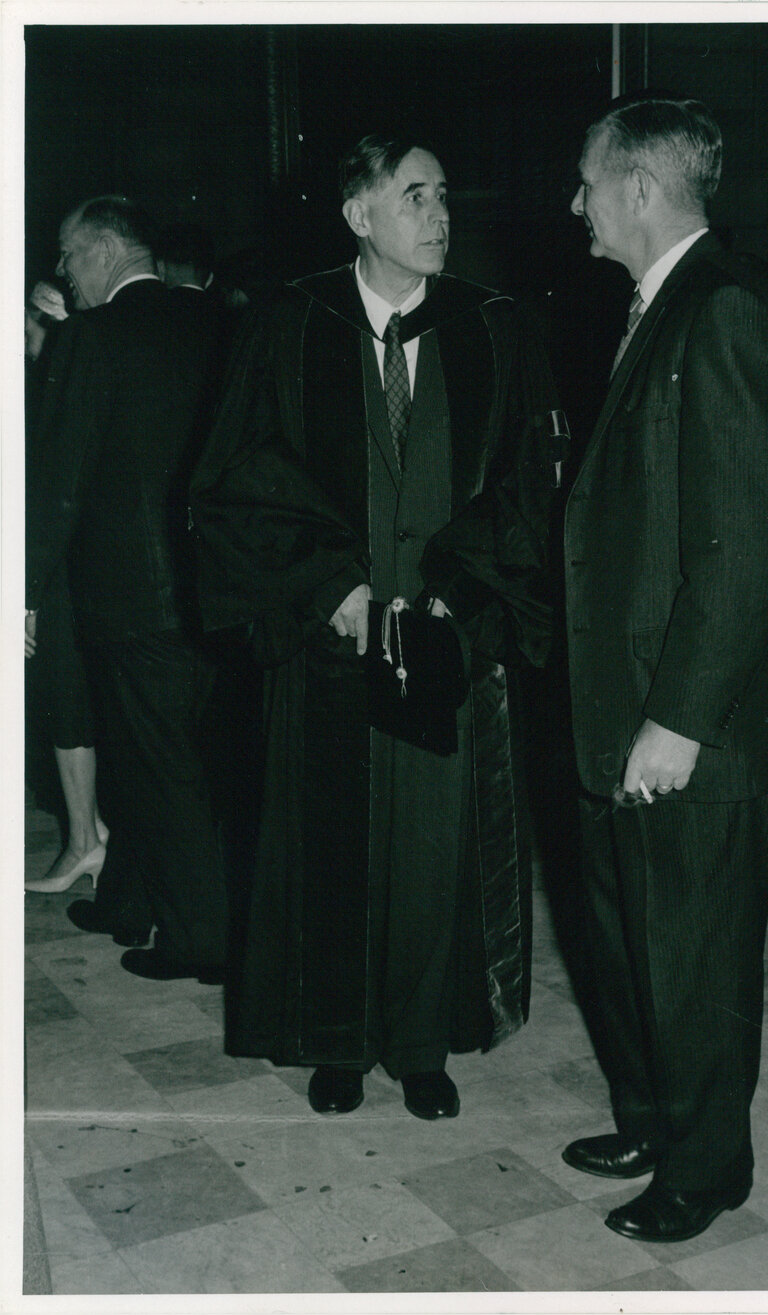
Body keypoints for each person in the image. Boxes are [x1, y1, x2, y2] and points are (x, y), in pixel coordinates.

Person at [190, 133, 559, 1121]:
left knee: (434, 845)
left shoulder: (494, 326)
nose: (440, 215)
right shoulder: (286, 323)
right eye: (414, 196)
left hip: (445, 634)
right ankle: (337, 1039)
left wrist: (462, 592)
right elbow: (236, 478)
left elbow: (526, 487)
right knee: (328, 840)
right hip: (329, 638)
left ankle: (420, 1039)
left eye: (443, 194)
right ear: (359, 216)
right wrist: (326, 588)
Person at [560, 96, 768, 1243]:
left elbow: (745, 551)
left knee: (692, 958)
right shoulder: (658, 308)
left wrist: (679, 718)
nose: (575, 204)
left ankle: (706, 1169)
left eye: (588, 182)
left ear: (640, 188)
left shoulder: (725, 309)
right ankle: (653, 1117)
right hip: (630, 709)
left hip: (691, 722)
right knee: (630, 941)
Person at [25, 195, 229, 980]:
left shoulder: (92, 338)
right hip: (207, 590)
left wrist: (27, 590)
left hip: (129, 595)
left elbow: (61, 487)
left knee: (162, 769)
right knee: (159, 758)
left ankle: (199, 939)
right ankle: (127, 900)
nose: (63, 272)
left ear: (106, 247)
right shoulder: (214, 323)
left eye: (70, 254)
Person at [24, 280, 109, 895]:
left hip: (59, 563)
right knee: (61, 698)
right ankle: (88, 833)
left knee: (66, 695)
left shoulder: (64, 365)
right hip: (47, 558)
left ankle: (85, 839)